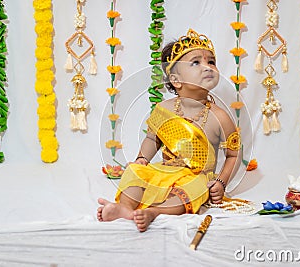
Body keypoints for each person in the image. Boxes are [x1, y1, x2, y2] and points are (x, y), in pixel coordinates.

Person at [97, 29, 242, 232]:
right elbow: (151, 138)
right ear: (176, 80)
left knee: (196, 189)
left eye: (211, 62)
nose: (207, 67)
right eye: (196, 63)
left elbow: (233, 154)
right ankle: (125, 208)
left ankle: (154, 212)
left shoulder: (220, 117)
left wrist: (220, 182)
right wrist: (142, 159)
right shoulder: (164, 109)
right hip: (165, 170)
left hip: (196, 176)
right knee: (135, 171)